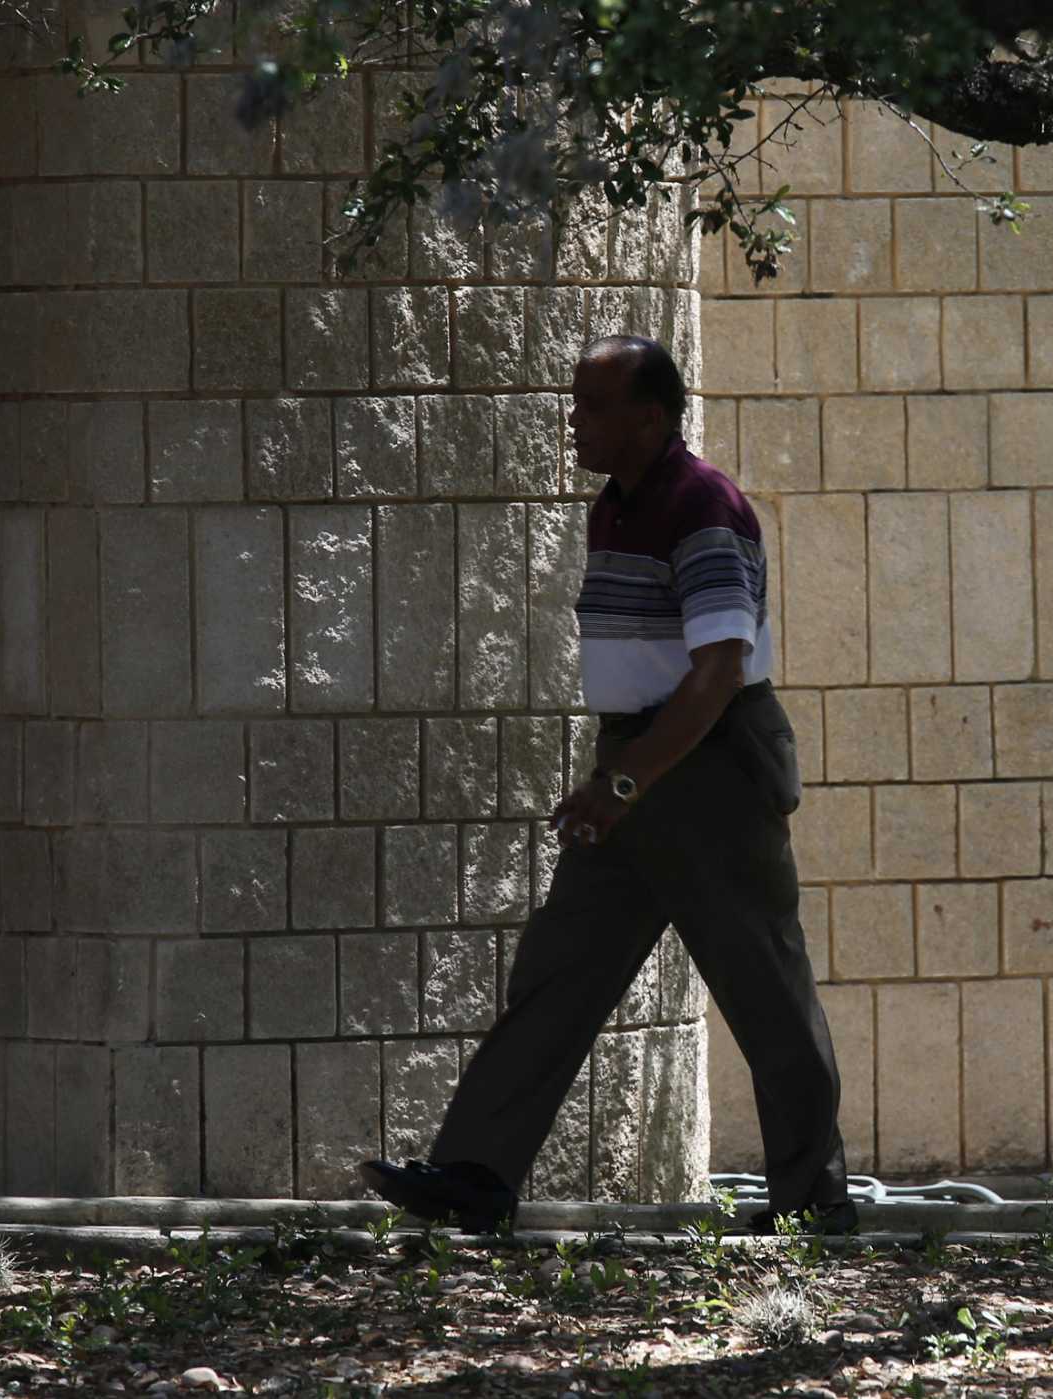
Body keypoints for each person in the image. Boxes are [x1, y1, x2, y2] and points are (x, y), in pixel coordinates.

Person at [359, 335, 855, 1236]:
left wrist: (620, 784)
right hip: (634, 765)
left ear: (651, 418)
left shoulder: (702, 506)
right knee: (559, 970)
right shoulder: (613, 508)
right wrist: (618, 778)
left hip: (707, 770)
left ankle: (813, 1202)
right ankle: (476, 1175)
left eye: (592, 405)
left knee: (765, 987)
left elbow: (715, 672)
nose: (574, 421)